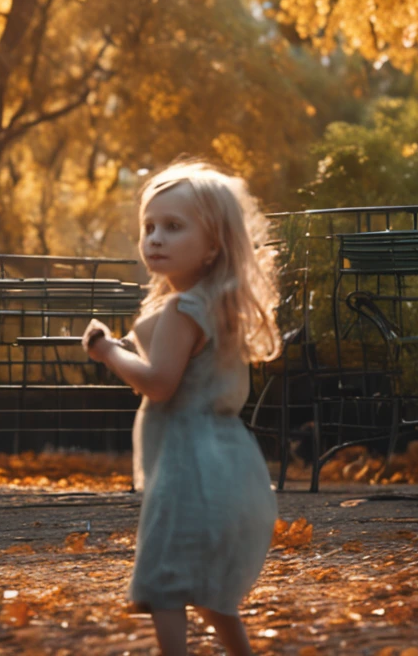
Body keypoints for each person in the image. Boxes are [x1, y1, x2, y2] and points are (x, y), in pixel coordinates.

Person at [83, 160, 281, 656]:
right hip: (229, 462)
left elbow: (159, 384)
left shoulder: (183, 309)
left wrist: (107, 351)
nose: (155, 238)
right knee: (214, 596)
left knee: (165, 584)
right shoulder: (215, 304)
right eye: (149, 227)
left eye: (173, 227)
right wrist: (129, 348)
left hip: (188, 466)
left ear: (213, 245)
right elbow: (176, 370)